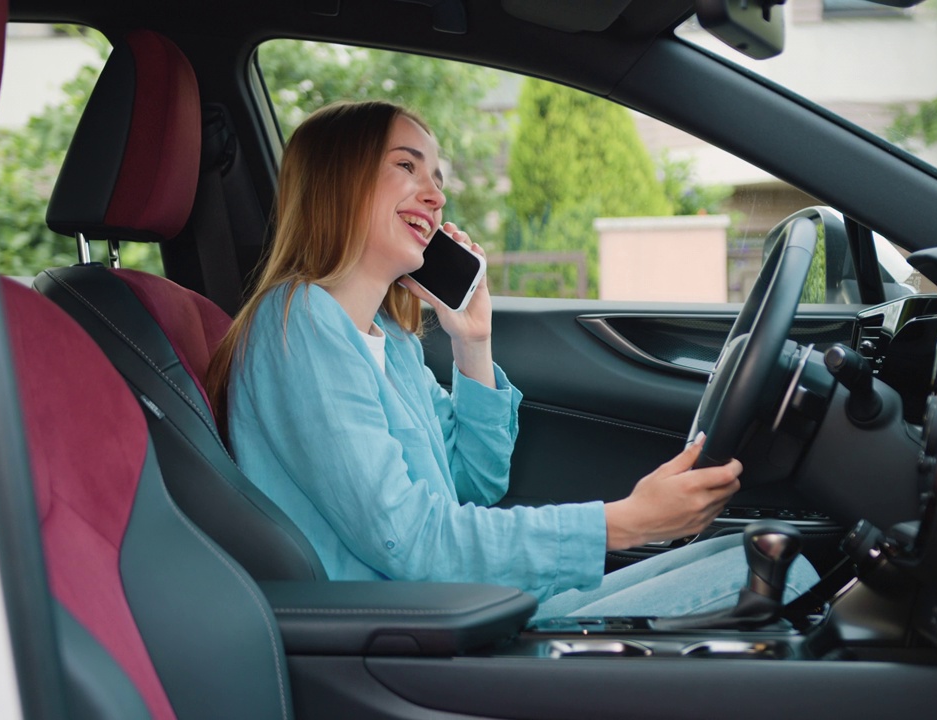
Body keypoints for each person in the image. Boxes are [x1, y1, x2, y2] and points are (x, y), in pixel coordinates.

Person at [205, 100, 818, 618]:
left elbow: (475, 481)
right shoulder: (301, 324)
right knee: (786, 580)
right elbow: (414, 539)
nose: (436, 194)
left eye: (438, 176)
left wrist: (473, 341)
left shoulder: (387, 339)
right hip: (406, 631)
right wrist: (624, 522)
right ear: (338, 180)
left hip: (459, 605)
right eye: (406, 166)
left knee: (756, 555)